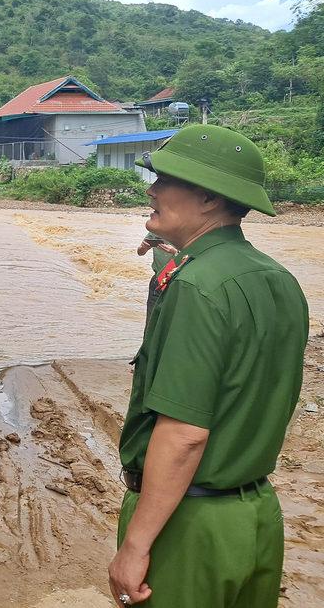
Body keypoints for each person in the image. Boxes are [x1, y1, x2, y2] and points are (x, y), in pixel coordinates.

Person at [109, 125, 308, 608]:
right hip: (255, 517)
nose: (151, 188)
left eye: (165, 180)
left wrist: (135, 546)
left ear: (207, 200)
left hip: (188, 525)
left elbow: (185, 434)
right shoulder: (279, 281)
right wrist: (164, 250)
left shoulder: (196, 289)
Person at [136, 232, 176, 318]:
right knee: (151, 319)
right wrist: (143, 248)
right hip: (158, 280)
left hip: (175, 281)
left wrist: (175, 252)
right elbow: (140, 252)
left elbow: (193, 256)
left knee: (170, 319)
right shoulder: (155, 231)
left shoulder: (185, 230)